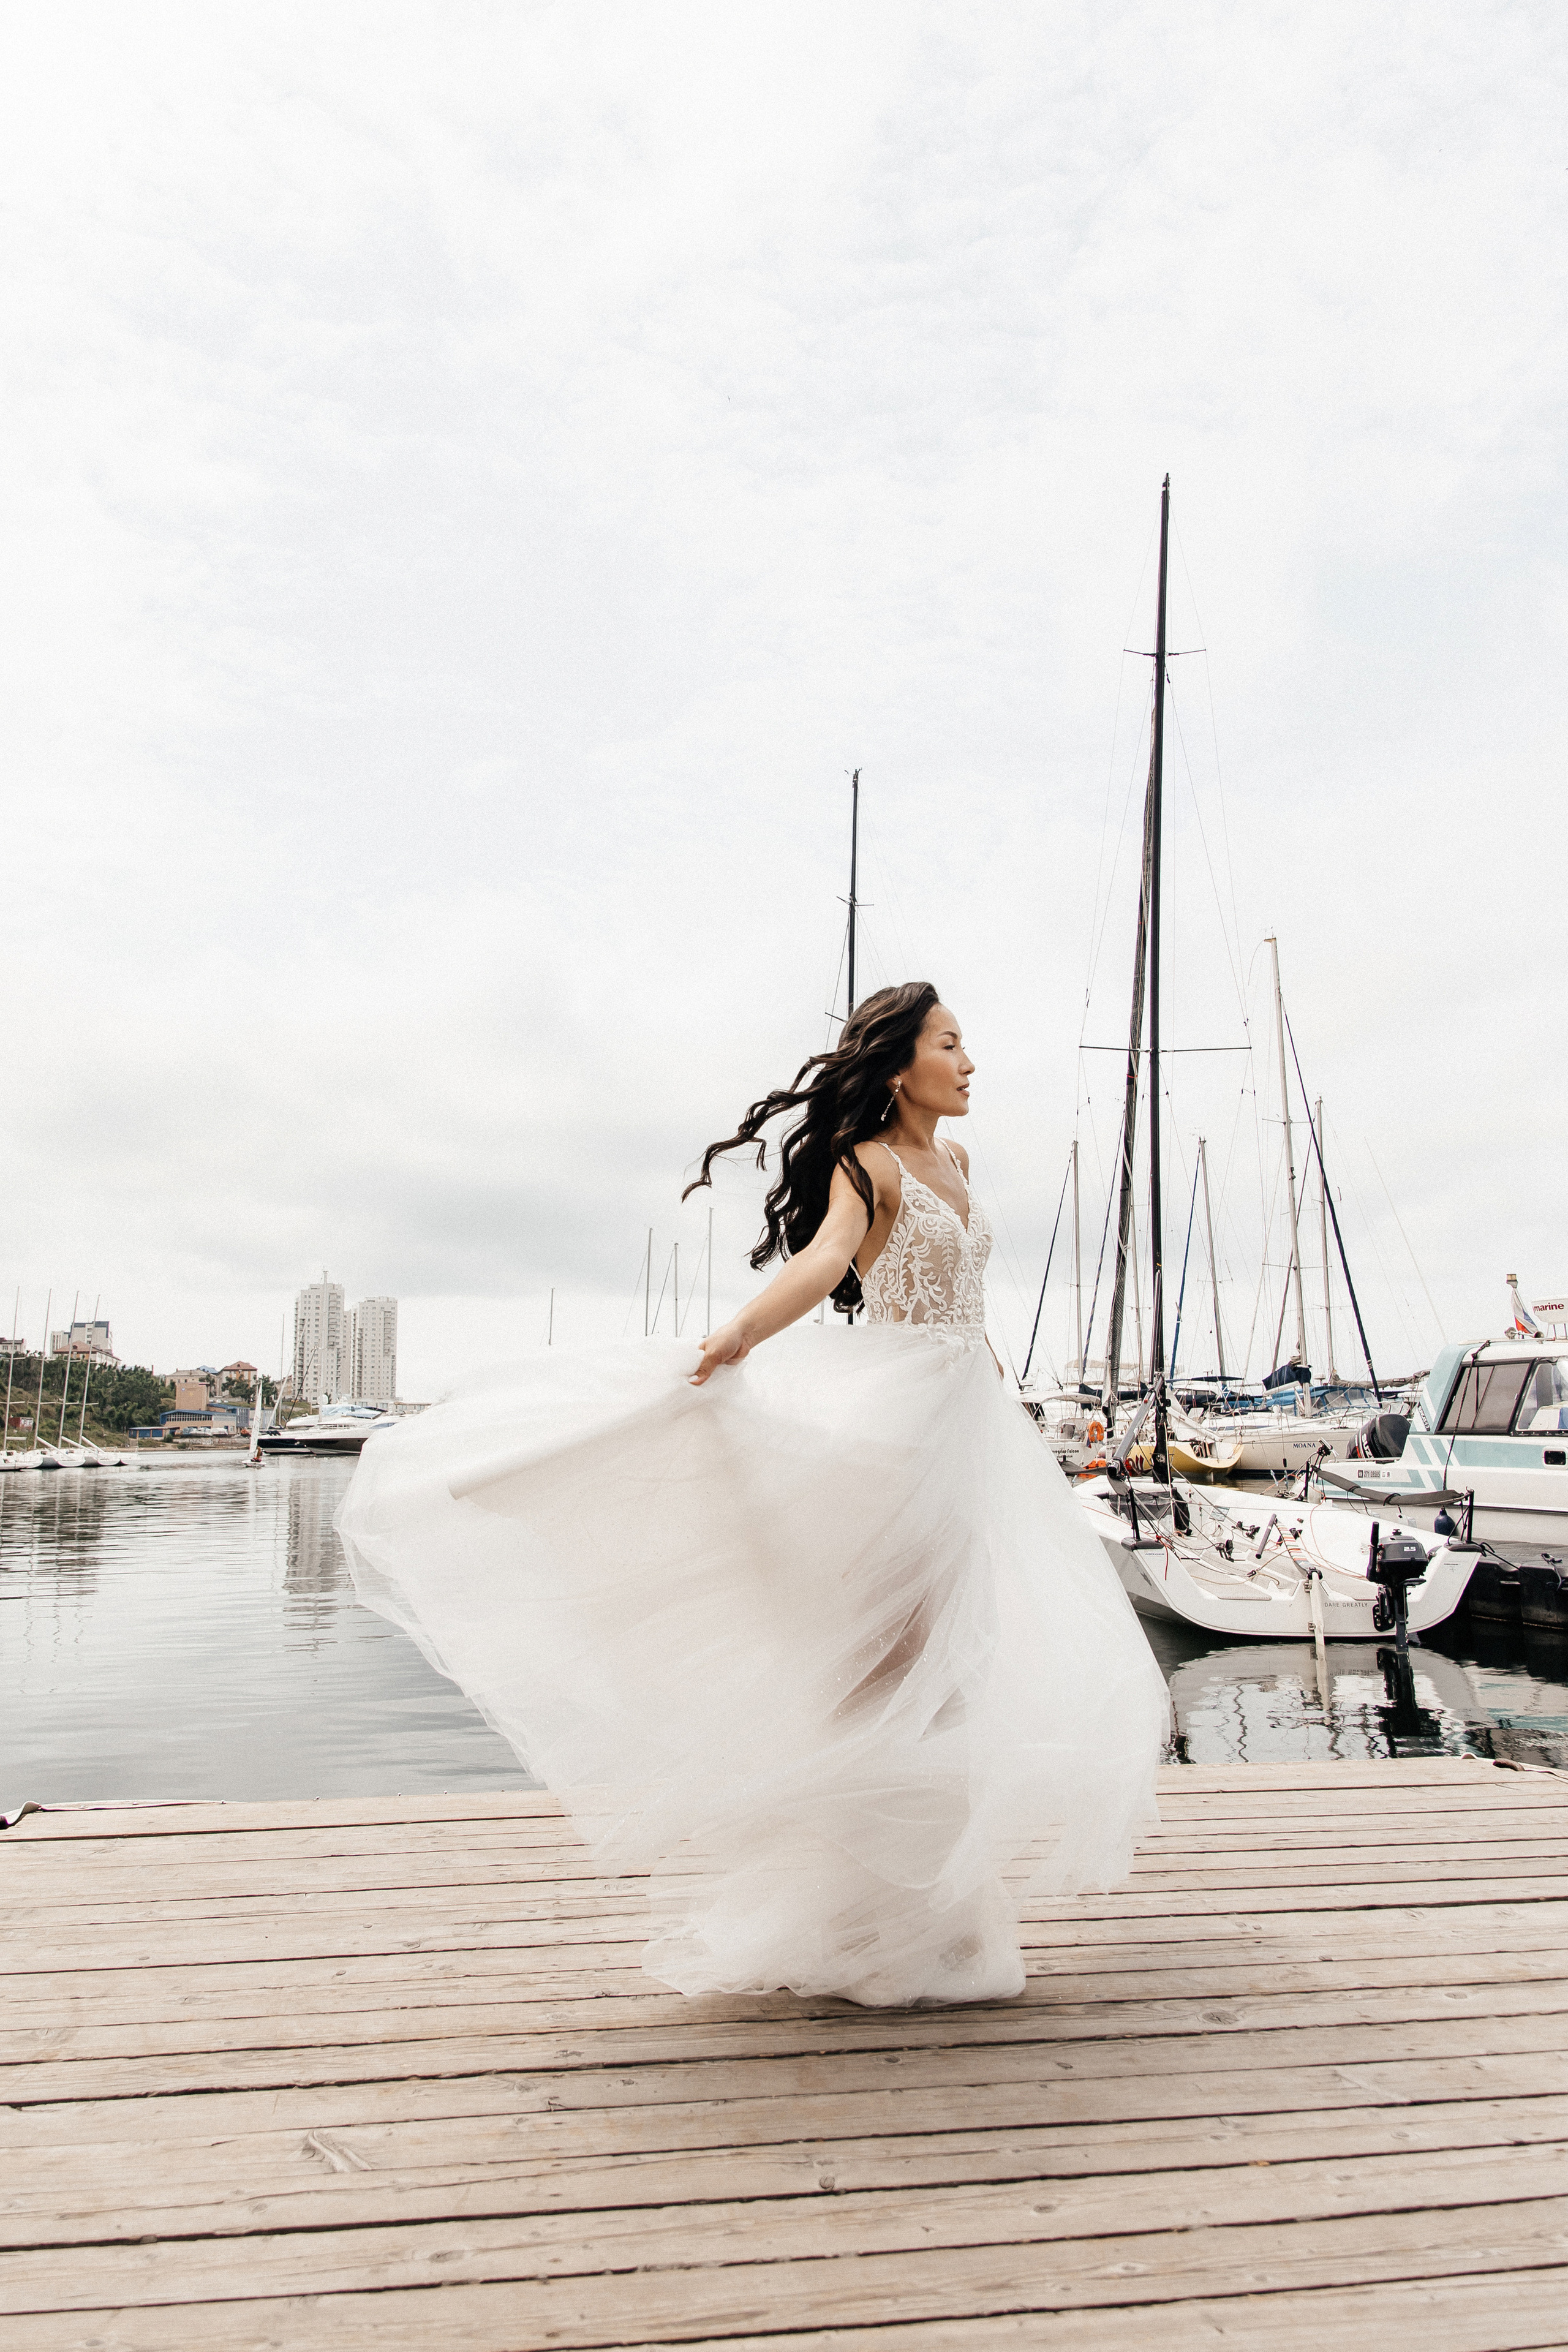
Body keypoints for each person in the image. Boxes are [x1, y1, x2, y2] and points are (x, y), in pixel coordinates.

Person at [336, 982, 1167, 2007]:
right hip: (896, 1424)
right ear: (901, 1064)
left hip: (971, 1424)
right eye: (951, 1044)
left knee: (950, 1669)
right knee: (883, 1667)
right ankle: (871, 1917)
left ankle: (928, 1912)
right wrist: (738, 1335)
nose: (969, 1061)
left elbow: (965, 1300)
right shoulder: (868, 1164)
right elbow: (825, 1260)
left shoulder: (957, 1162)